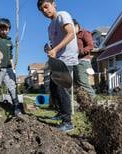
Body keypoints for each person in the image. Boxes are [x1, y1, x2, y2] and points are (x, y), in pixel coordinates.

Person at [38, 0, 79, 132]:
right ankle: (61, 113)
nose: (45, 11)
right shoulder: (50, 27)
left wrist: (55, 50)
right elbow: (53, 44)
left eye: (46, 6)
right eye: (42, 10)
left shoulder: (62, 15)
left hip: (67, 58)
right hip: (57, 60)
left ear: (53, 4)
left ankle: (67, 122)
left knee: (61, 89)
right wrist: (49, 48)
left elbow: (71, 33)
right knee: (53, 88)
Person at [73, 19, 96, 99]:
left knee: (82, 82)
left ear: (77, 26)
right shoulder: (72, 36)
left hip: (83, 61)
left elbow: (90, 46)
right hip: (74, 62)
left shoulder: (84, 33)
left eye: (72, 27)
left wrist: (80, 52)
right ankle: (83, 103)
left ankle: (94, 102)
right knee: (76, 84)